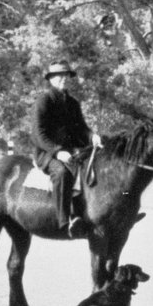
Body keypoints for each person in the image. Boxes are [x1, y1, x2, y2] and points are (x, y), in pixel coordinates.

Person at [31, 61, 94, 238]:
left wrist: (93, 137)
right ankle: (64, 221)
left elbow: (82, 129)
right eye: (59, 76)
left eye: (66, 76)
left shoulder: (73, 103)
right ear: (51, 79)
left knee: (93, 168)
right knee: (62, 173)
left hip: (73, 151)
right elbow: (38, 134)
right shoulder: (44, 101)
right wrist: (58, 152)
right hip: (47, 154)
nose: (64, 79)